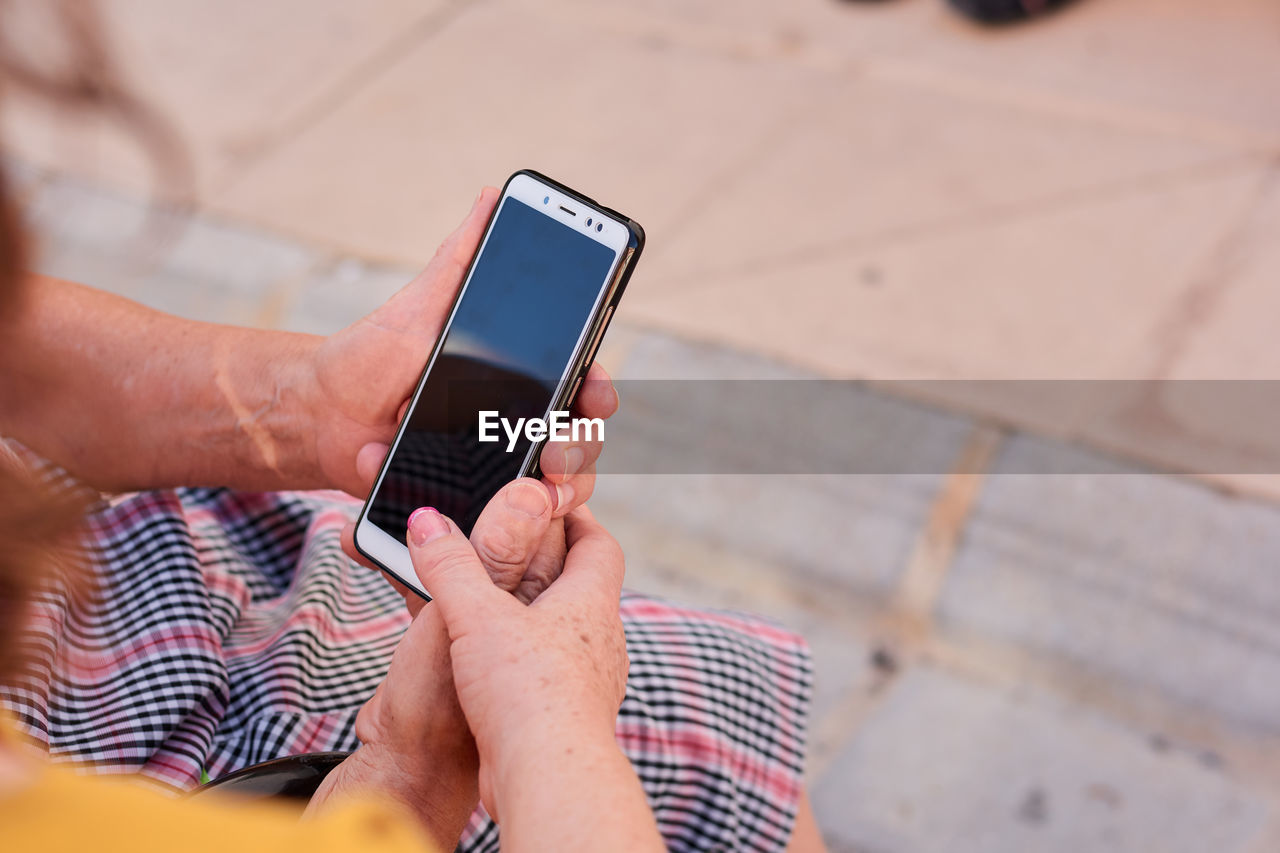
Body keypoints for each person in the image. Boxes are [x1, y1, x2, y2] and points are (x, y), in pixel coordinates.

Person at [0, 4, 823, 851]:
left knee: (673, 686)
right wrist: (463, 750)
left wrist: (305, 405)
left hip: (106, 560)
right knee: (692, 714)